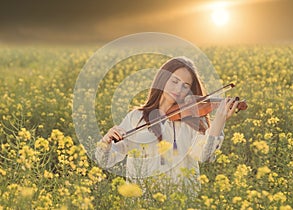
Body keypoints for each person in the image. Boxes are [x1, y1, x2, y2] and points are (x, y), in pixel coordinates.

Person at [95, 56, 238, 182]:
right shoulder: (136, 117)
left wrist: (218, 123)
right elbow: (105, 160)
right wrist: (106, 142)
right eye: (174, 81)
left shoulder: (192, 121)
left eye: (185, 86)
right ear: (162, 79)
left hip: (181, 202)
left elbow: (204, 156)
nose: (178, 89)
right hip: (143, 200)